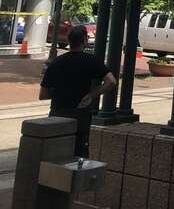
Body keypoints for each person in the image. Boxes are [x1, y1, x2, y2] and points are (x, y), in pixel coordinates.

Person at [39, 25, 116, 156]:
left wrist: (60, 92)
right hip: (80, 114)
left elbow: (43, 95)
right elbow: (111, 81)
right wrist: (92, 95)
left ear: (69, 41)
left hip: (57, 112)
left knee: (54, 153)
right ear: (85, 40)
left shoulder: (56, 62)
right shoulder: (91, 61)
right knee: (78, 154)